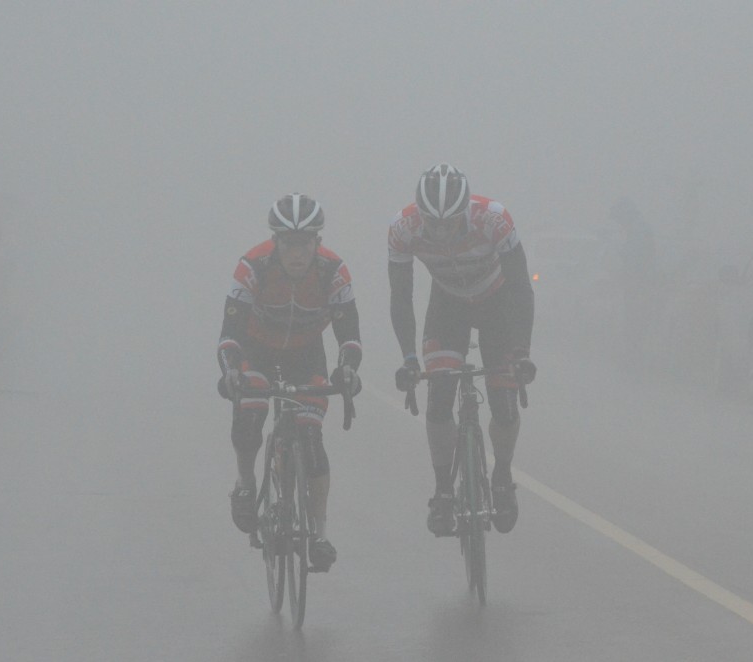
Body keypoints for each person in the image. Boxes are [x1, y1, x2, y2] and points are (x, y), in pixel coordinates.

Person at [388, 163, 536, 537]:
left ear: (465, 211)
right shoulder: (403, 229)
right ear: (420, 214)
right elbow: (401, 297)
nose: (440, 232)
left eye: (449, 223)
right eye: (432, 223)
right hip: (448, 305)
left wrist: (522, 351)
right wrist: (409, 358)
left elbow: (520, 287)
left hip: (497, 303)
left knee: (504, 405)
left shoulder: (494, 219)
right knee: (439, 397)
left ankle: (502, 476)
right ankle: (443, 490)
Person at [216, 193, 362, 571]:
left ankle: (320, 534)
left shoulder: (333, 271)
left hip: (306, 353)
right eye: (288, 244)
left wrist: (347, 369)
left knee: (312, 443)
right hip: (257, 349)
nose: (297, 253)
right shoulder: (252, 266)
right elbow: (230, 334)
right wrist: (230, 371)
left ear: (318, 242)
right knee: (249, 418)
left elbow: (349, 336)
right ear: (275, 242)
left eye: (305, 243)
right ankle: (245, 484)